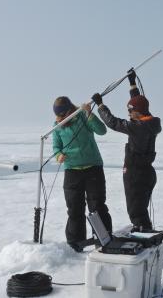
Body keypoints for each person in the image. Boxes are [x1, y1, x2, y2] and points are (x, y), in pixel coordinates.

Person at [91, 70, 161, 230]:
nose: (128, 113)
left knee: (136, 211)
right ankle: (144, 231)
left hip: (136, 174)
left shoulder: (138, 127)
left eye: (130, 111)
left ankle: (144, 236)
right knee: (140, 210)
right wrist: (132, 83)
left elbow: (113, 123)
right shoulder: (150, 122)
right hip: (147, 173)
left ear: (138, 112)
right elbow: (138, 102)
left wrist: (100, 105)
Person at [52, 96, 112, 252]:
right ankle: (75, 244)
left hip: (93, 168)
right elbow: (56, 147)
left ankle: (103, 240)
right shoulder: (57, 126)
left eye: (61, 114)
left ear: (69, 110)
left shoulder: (82, 116)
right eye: (57, 115)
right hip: (72, 171)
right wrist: (59, 155)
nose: (59, 118)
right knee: (74, 209)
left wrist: (89, 114)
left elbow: (102, 131)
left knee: (97, 206)